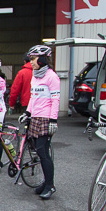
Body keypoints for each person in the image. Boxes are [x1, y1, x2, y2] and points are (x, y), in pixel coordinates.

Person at [20, 45, 60, 200]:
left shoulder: (52, 77)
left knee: (44, 153)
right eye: (30, 59)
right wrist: (27, 113)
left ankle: (50, 186)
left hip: (45, 119)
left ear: (43, 59)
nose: (31, 62)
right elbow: (33, 97)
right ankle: (46, 182)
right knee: (39, 152)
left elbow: (56, 100)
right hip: (35, 117)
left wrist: (53, 120)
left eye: (33, 59)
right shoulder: (36, 76)